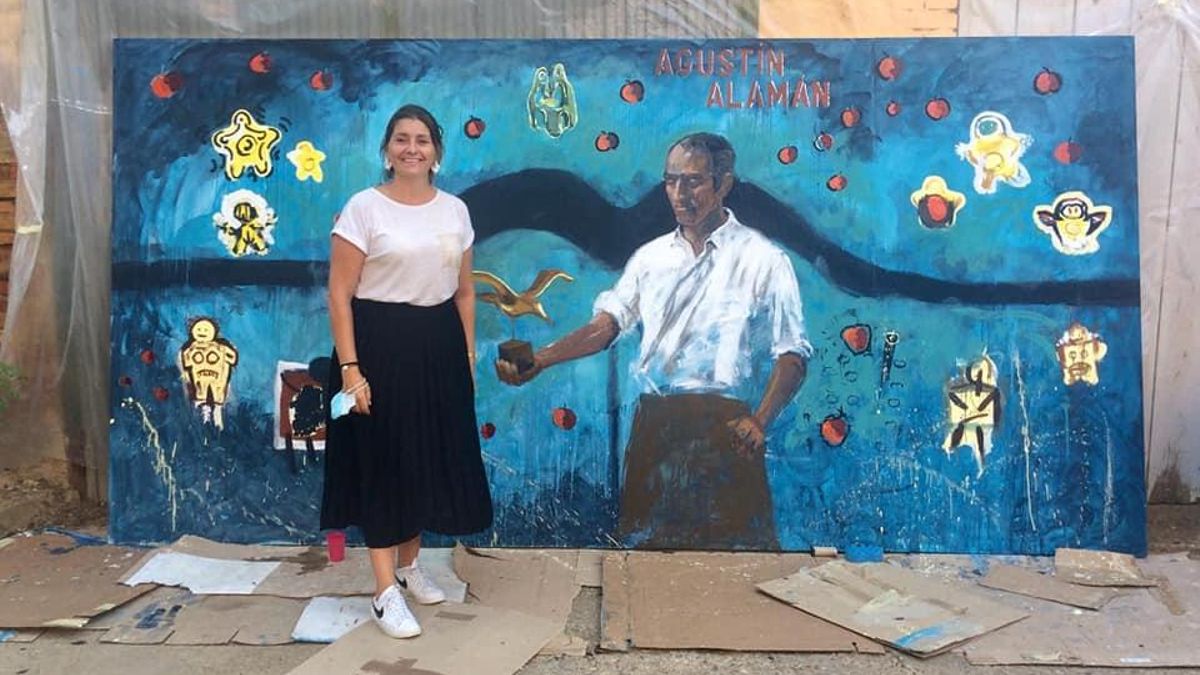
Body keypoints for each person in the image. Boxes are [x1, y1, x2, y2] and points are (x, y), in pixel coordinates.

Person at [497, 132, 812, 550]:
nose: (680, 194)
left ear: (724, 184)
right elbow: (608, 325)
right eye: (671, 181)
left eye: (694, 181)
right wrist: (542, 359)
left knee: (736, 561)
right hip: (656, 428)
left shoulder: (765, 260)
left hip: (729, 430)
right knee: (646, 559)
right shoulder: (650, 259)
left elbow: (792, 354)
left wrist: (760, 420)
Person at [322, 104, 493, 638]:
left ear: (436, 152)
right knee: (383, 462)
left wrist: (465, 358)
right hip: (378, 344)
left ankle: (411, 565)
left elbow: (464, 292)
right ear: (387, 149)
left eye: (422, 139)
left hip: (438, 345)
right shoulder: (364, 209)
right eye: (401, 139)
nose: (411, 148)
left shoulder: (455, 212)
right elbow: (339, 294)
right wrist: (351, 369)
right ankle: (383, 592)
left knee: (426, 457)